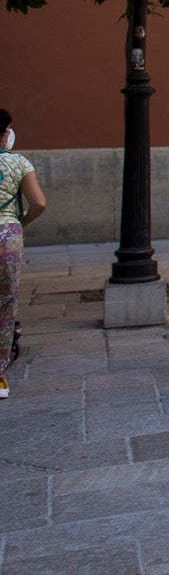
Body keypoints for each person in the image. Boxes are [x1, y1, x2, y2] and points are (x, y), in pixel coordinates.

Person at [0, 110, 47, 401]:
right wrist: (19, 222)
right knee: (5, 304)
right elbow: (39, 203)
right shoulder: (18, 163)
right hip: (7, 234)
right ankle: (0, 376)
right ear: (5, 132)